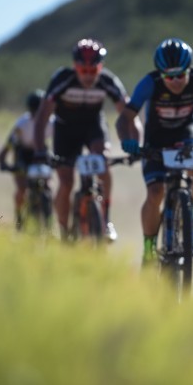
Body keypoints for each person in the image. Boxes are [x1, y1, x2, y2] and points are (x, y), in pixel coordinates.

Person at [116, 38, 193, 265]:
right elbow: (124, 119)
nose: (175, 81)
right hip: (155, 137)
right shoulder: (149, 83)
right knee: (155, 193)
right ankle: (149, 248)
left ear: (188, 70)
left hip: (185, 133)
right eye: (168, 77)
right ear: (159, 74)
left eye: (180, 75)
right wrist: (127, 141)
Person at [33, 38, 128, 242]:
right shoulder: (62, 79)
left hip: (93, 126)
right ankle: (64, 231)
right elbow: (42, 118)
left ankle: (106, 219)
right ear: (74, 66)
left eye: (92, 71)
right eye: (82, 70)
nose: (87, 75)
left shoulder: (108, 80)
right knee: (66, 181)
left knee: (103, 163)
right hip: (65, 130)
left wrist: (136, 142)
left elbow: (128, 114)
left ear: (100, 67)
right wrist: (40, 150)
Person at [0, 90, 54, 229]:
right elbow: (9, 144)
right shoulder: (22, 124)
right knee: (22, 189)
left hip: (41, 153)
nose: (38, 114)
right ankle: (19, 218)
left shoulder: (52, 122)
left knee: (47, 187)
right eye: (36, 110)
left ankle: (47, 218)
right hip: (23, 154)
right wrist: (3, 160)